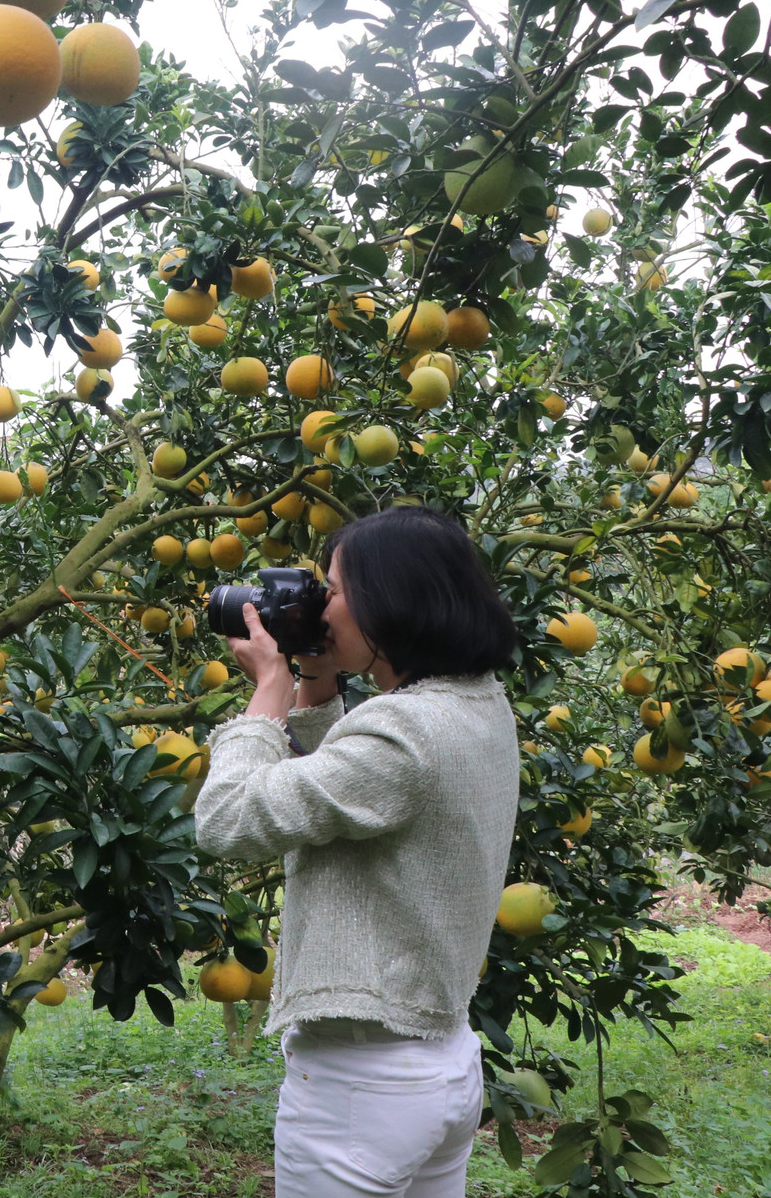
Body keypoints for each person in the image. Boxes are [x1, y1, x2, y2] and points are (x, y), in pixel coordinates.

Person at [194, 505, 522, 1198]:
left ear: (389, 603)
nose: (320, 605)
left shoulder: (406, 735)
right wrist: (315, 677)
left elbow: (227, 819)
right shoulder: (474, 705)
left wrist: (267, 696)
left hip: (362, 1090)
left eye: (334, 591)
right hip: (439, 1067)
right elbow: (350, 790)